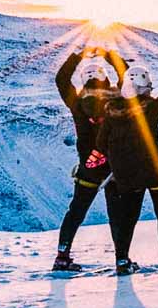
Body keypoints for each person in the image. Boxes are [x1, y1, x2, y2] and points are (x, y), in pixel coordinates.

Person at [97, 39, 158, 274]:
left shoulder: (112, 111)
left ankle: (122, 261)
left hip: (126, 176)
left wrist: (93, 168)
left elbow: (100, 145)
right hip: (156, 171)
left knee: (127, 219)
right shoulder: (151, 109)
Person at [50, 46, 128, 270]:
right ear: (104, 77)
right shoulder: (118, 98)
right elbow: (127, 75)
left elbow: (61, 80)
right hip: (113, 167)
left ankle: (62, 256)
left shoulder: (77, 103)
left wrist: (77, 55)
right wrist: (111, 55)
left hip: (89, 167)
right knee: (117, 215)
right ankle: (121, 260)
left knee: (76, 211)